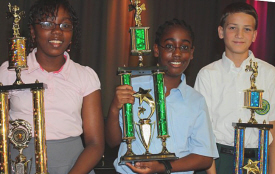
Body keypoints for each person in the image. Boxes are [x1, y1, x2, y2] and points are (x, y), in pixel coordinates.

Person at [0, 0, 104, 173]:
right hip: (21, 165)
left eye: (65, 25)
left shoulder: (85, 76)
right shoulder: (9, 71)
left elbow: (96, 144)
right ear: (32, 31)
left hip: (74, 166)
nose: (57, 31)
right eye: (47, 23)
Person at [106, 18, 218, 174]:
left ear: (192, 53)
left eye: (184, 47)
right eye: (170, 46)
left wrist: (162, 167)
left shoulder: (196, 101)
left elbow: (205, 157)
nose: (177, 53)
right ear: (157, 50)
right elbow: (113, 142)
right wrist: (113, 108)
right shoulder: (132, 86)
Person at [194, 2, 275, 174]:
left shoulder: (269, 73)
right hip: (218, 160)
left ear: (255, 35)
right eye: (232, 27)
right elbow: (202, 130)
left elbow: (273, 125)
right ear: (221, 32)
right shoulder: (208, 74)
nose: (239, 34)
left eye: (247, 29)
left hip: (258, 159)